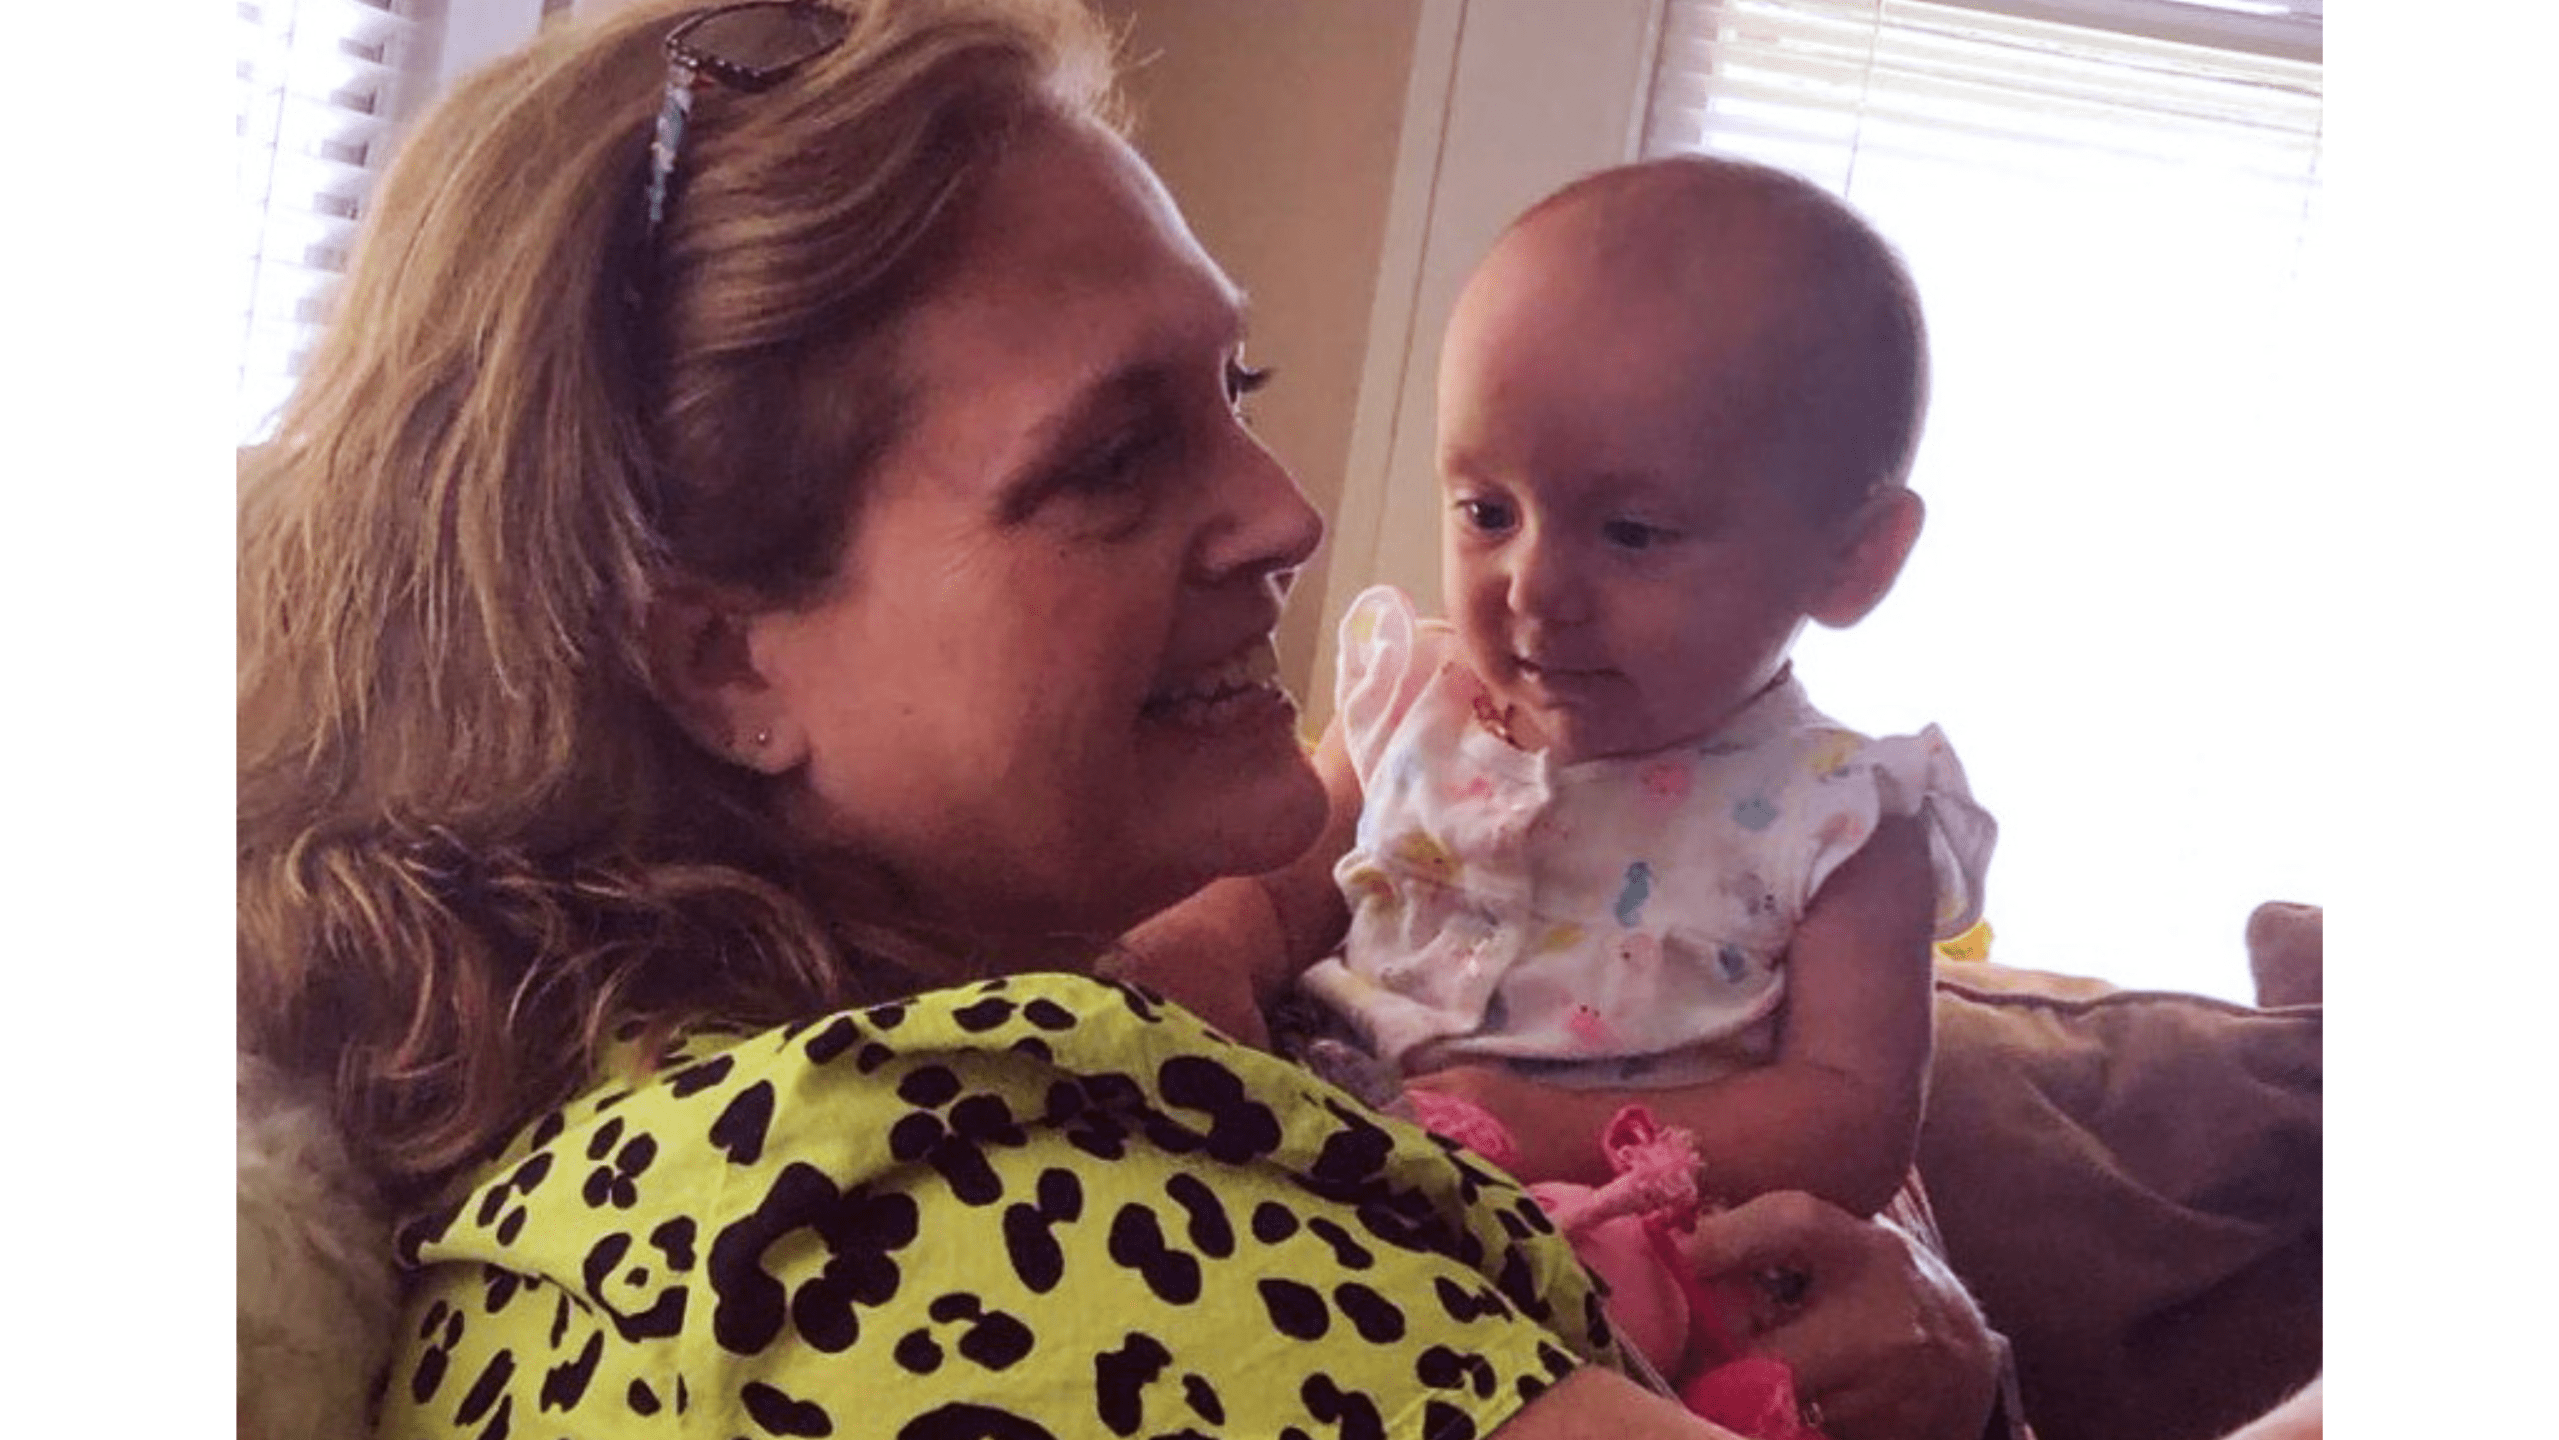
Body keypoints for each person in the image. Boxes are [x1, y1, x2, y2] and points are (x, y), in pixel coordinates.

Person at [236, 2, 2031, 1437]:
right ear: (723, 662)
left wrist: (1948, 1377)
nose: (1287, 511)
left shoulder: (882, 1099)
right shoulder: (901, 1206)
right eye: (1111, 455)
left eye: (1232, 389)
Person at [1116, 156, 1995, 1217]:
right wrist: (1205, 946)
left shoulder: (1846, 820)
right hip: (1316, 1156)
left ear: (1854, 559)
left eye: (1632, 532)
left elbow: (1850, 1125)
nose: (1532, 588)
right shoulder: (1413, 702)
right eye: (1487, 511)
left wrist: (1563, 1138)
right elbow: (1276, 893)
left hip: (1599, 1238)